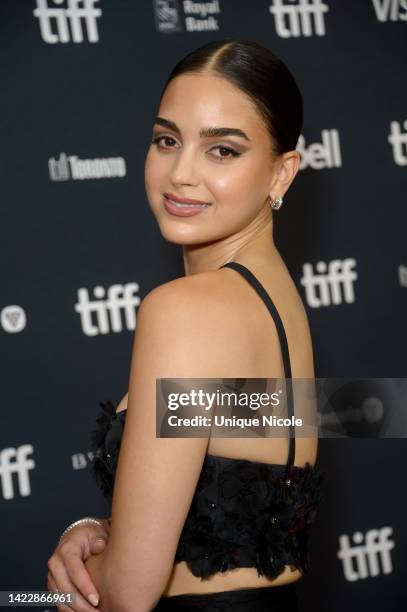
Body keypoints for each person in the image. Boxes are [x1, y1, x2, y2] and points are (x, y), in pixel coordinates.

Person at [46, 38, 326, 612]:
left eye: (222, 150)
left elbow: (127, 593)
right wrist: (103, 527)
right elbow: (220, 497)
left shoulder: (185, 309)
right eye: (167, 141)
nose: (181, 173)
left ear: (282, 173)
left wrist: (41, 592)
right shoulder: (276, 300)